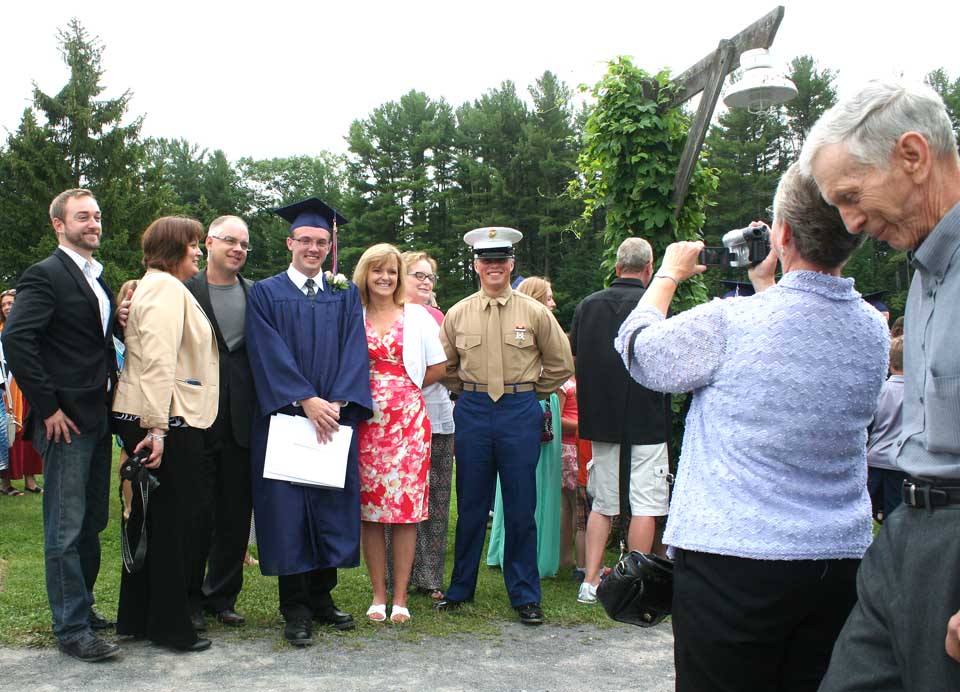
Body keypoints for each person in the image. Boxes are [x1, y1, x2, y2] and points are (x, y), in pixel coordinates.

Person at [615, 163, 889, 692]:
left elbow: (638, 350)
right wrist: (768, 280)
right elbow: (793, 339)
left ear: (782, 233)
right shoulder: (872, 331)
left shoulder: (729, 321)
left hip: (733, 561)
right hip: (835, 559)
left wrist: (666, 274)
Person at [798, 80, 960, 691]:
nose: (852, 223)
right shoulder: (925, 271)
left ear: (912, 156)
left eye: (851, 196)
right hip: (905, 533)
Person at [245, 197, 373, 647]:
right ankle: (295, 608)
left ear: (329, 246)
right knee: (289, 514)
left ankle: (322, 597)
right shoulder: (265, 293)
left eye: (321, 242)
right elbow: (266, 352)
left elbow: (355, 349)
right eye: (305, 240)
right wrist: (306, 399)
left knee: (329, 506)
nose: (313, 248)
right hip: (286, 419)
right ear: (290, 243)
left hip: (332, 420)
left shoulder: (344, 294)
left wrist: (335, 402)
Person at [2, 189, 121, 661]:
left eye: (97, 215)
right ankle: (70, 629)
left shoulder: (96, 277)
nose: (93, 223)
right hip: (64, 423)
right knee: (65, 528)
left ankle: (82, 606)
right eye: (82, 216)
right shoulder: (45, 274)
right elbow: (17, 338)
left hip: (97, 415)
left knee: (92, 521)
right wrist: (48, 407)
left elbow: (90, 339)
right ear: (59, 224)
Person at [435, 227, 573, 625]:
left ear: (511, 264)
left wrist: (529, 393)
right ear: (476, 266)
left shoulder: (535, 312)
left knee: (519, 507)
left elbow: (561, 363)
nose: (493, 266)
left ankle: (525, 595)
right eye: (486, 260)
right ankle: (460, 588)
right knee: (472, 505)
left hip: (519, 409)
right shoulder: (458, 313)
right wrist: (467, 391)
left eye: (500, 260)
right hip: (474, 410)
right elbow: (445, 366)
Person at [111, 216, 219, 652]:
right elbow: (157, 360)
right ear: (174, 248)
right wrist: (157, 429)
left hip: (158, 415)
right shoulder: (165, 289)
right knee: (174, 524)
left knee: (151, 519)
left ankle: (139, 618)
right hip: (167, 419)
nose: (198, 252)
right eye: (193, 244)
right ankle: (171, 627)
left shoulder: (154, 287)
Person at [569, 237, 671, 605]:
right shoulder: (655, 306)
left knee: (603, 502)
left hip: (602, 417)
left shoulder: (588, 306)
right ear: (649, 268)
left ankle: (591, 580)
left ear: (617, 267)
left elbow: (575, 355)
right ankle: (634, 584)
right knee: (645, 503)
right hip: (647, 416)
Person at [353, 243, 446, 623]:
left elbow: (439, 366)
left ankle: (402, 598)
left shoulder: (418, 316)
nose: (385, 277)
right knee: (371, 511)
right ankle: (378, 595)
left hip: (408, 422)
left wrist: (404, 389)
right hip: (365, 422)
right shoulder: (353, 313)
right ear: (365, 273)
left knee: (406, 510)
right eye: (378, 270)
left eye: (392, 271)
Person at [184, 215, 256, 629]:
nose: (238, 249)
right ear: (209, 243)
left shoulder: (256, 294)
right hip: (196, 416)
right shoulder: (184, 290)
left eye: (244, 244)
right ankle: (189, 598)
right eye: (230, 241)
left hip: (243, 418)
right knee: (196, 512)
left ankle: (222, 596)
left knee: (234, 513)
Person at [382, 250, 455, 602]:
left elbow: (445, 366)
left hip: (435, 417)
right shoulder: (382, 314)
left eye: (430, 277)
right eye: (418, 275)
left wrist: (406, 387)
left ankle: (429, 576)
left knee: (434, 499)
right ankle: (394, 575)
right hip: (393, 422)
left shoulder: (438, 317)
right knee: (393, 497)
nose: (426, 282)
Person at [486, 276, 562, 578]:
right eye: (549, 297)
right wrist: (535, 393)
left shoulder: (547, 325)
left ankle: (527, 552)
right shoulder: (524, 326)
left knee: (536, 483)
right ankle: (520, 553)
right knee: (526, 483)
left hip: (540, 399)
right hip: (531, 404)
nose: (553, 303)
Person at [0, 288, 45, 495]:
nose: (7, 307)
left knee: (29, 433)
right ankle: (6, 482)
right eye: (3, 304)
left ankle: (30, 480)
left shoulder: (30, 326)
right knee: (7, 433)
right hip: (6, 390)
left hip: (29, 388)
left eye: (11, 303)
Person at [866, 336, 906, 523]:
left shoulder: (880, 390)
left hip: (874, 459)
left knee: (867, 512)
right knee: (895, 516)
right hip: (900, 462)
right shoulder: (918, 393)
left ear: (889, 363)